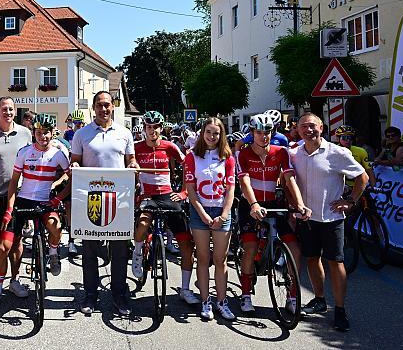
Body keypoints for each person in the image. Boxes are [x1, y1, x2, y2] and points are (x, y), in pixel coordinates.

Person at [290, 113, 369, 332]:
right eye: (303, 126)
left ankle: (340, 310)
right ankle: (319, 299)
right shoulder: (294, 153)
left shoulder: (337, 152)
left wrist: (351, 201)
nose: (308, 130)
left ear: (322, 128)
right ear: (297, 129)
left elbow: (363, 177)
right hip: (307, 218)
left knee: (335, 262)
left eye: (312, 126)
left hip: (332, 219)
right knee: (313, 259)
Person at [0, 113, 69, 305]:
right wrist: (10, 208)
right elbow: (13, 183)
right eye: (39, 133)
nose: (43, 137)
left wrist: (58, 199)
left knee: (56, 228)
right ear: (34, 133)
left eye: (46, 133)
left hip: (45, 201)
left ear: (52, 133)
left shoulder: (58, 155)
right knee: (3, 246)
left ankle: (53, 253)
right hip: (23, 200)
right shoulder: (24, 152)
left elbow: (71, 178)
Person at [71, 91, 138, 316]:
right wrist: (76, 168)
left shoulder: (124, 133)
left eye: (107, 105)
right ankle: (90, 294)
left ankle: (119, 294)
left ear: (113, 106)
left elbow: (131, 160)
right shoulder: (82, 134)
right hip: (92, 199)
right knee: (89, 250)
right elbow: (75, 162)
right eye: (99, 105)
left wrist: (133, 166)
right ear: (93, 108)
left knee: (119, 250)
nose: (104, 109)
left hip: (118, 198)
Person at [236, 113, 311, 316]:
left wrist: (300, 205)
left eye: (267, 132)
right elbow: (244, 182)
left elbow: (290, 179)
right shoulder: (242, 154)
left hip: (273, 203)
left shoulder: (281, 152)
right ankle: (245, 295)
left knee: (294, 248)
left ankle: (293, 297)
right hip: (250, 203)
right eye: (259, 132)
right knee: (250, 247)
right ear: (252, 133)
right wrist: (253, 204)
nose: (264, 136)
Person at [131, 111, 197, 305]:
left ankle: (185, 289)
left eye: (156, 127)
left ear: (161, 128)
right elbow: (127, 164)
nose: (152, 131)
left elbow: (188, 166)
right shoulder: (136, 147)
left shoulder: (170, 146)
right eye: (149, 127)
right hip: (147, 195)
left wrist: (184, 192)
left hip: (168, 194)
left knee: (186, 243)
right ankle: (137, 252)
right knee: (143, 223)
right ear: (144, 128)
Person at [184, 117, 236, 321]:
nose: (212, 137)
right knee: (203, 258)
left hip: (222, 211)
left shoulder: (228, 157)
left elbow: (231, 189)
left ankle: (222, 302)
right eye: (208, 132)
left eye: (216, 133)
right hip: (200, 212)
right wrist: (203, 214)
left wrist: (224, 213)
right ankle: (206, 302)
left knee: (220, 260)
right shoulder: (192, 156)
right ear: (202, 133)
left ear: (221, 134)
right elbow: (190, 189)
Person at [0, 97, 32, 300]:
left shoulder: (25, 133)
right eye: (4, 109)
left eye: (11, 109)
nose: (8, 112)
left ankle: (15, 278)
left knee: (16, 240)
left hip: (19, 195)